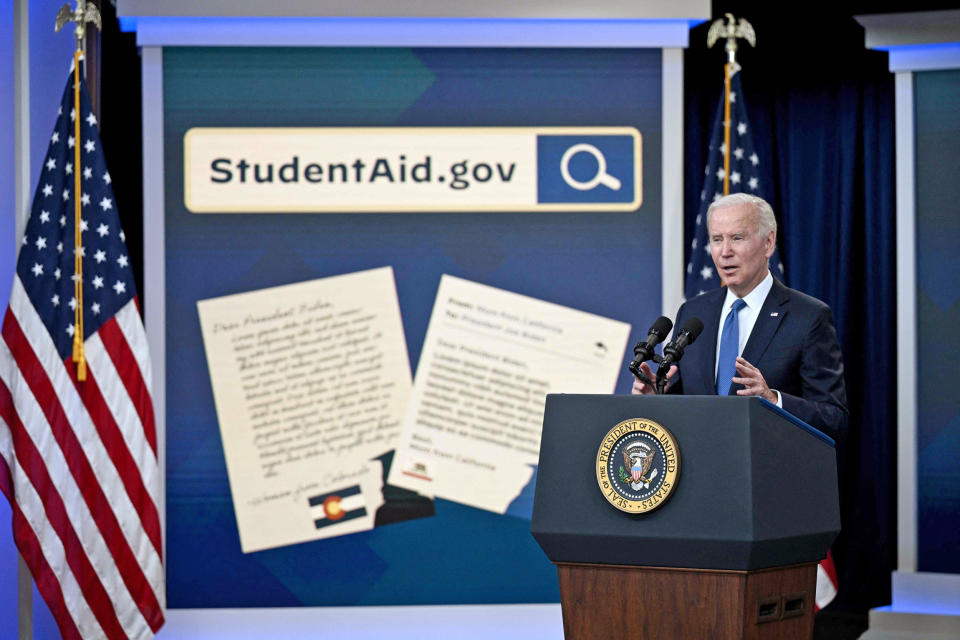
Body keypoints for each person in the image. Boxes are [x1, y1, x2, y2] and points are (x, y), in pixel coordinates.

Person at [632, 193, 848, 440]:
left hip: (767, 470)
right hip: (701, 470)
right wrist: (655, 397)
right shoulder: (694, 313)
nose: (725, 251)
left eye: (737, 238)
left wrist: (772, 399)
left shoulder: (808, 317)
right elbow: (685, 400)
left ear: (768, 243)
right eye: (716, 239)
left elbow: (834, 418)